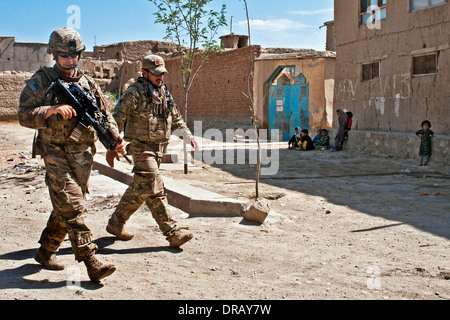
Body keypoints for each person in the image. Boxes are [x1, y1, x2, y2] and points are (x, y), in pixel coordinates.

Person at [17, 28, 127, 282]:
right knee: (74, 205)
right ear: (54, 53)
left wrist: (115, 139)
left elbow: (103, 116)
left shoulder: (88, 83)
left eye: (75, 54)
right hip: (54, 152)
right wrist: (49, 110)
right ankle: (90, 259)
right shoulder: (41, 80)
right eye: (65, 55)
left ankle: (45, 252)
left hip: (83, 155)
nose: (70, 60)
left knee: (64, 206)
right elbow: (23, 115)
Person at [106, 55, 198, 248]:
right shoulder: (134, 92)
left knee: (140, 188)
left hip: (159, 149)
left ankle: (116, 223)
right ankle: (172, 232)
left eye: (162, 74)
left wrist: (188, 136)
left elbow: (175, 117)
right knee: (155, 186)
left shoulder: (163, 91)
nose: (160, 77)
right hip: (141, 147)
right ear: (145, 73)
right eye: (156, 74)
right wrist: (113, 145)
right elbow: (117, 118)